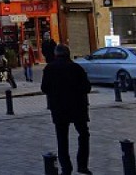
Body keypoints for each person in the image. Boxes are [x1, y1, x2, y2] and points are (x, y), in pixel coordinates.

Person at [41, 44, 92, 175]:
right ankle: (82, 165)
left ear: (55, 54)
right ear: (68, 54)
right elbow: (87, 87)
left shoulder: (49, 68)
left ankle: (66, 168)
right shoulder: (77, 68)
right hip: (78, 107)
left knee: (62, 139)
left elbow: (44, 88)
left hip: (59, 108)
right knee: (84, 135)